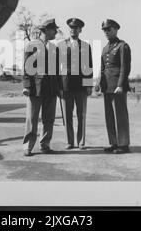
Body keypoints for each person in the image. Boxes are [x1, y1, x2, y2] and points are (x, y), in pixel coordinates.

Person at [22, 19, 60, 156]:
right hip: (35, 88)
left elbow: (57, 71)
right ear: (45, 30)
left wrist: (59, 88)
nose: (56, 32)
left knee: (49, 119)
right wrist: (26, 86)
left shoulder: (54, 48)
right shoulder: (32, 45)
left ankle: (45, 145)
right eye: (53, 29)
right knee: (32, 119)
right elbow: (26, 68)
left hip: (51, 89)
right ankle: (28, 146)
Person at [95, 19, 131, 154]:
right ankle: (114, 142)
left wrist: (121, 85)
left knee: (120, 115)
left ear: (116, 29)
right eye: (104, 30)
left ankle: (124, 144)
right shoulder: (105, 48)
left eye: (108, 29)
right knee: (109, 116)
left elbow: (125, 68)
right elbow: (103, 68)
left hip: (117, 86)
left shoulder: (123, 46)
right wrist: (98, 83)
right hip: (107, 86)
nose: (106, 32)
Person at [57, 18, 93, 150]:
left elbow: (89, 67)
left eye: (76, 28)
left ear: (80, 30)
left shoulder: (85, 46)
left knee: (81, 115)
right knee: (67, 116)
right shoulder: (61, 45)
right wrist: (58, 87)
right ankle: (69, 141)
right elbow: (56, 68)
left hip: (81, 87)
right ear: (69, 29)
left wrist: (89, 85)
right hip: (65, 86)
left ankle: (81, 142)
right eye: (71, 28)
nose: (73, 30)